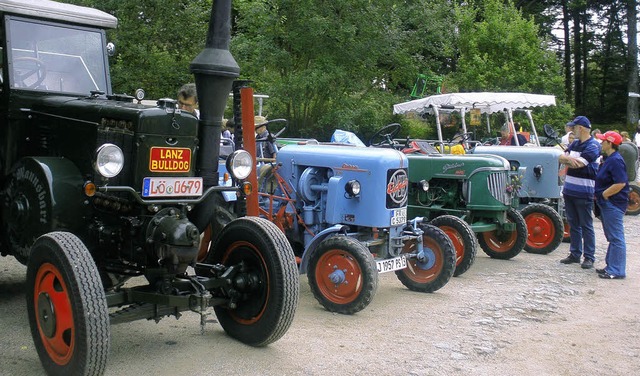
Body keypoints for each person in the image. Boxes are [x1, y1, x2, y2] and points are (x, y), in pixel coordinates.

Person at [558, 116, 602, 269]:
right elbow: (561, 157)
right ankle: (575, 254)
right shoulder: (576, 143)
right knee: (573, 224)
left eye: (574, 127)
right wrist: (569, 159)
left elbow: (578, 164)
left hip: (584, 191)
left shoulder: (593, 146)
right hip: (570, 190)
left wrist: (568, 159)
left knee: (586, 225)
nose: (572, 130)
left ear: (581, 128)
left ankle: (589, 256)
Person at [594, 131, 629, 279]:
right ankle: (611, 266)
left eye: (603, 141)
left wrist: (605, 194)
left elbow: (620, 183)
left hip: (613, 203)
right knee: (613, 237)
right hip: (609, 203)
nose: (601, 143)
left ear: (610, 143)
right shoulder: (610, 159)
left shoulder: (615, 160)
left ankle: (616, 270)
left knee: (616, 237)